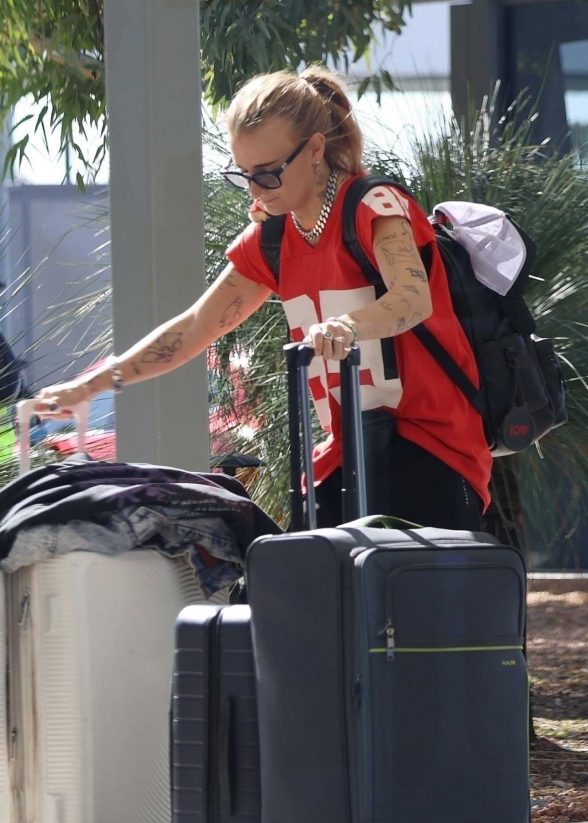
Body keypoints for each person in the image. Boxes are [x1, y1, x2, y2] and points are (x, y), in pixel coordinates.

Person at [34, 65, 491, 530]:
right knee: (297, 589)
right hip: (346, 456)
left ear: (315, 149)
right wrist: (89, 386)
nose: (255, 189)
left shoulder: (376, 205)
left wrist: (349, 325)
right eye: (245, 174)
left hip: (434, 449)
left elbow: (413, 298)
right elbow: (195, 327)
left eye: (269, 173)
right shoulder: (272, 239)